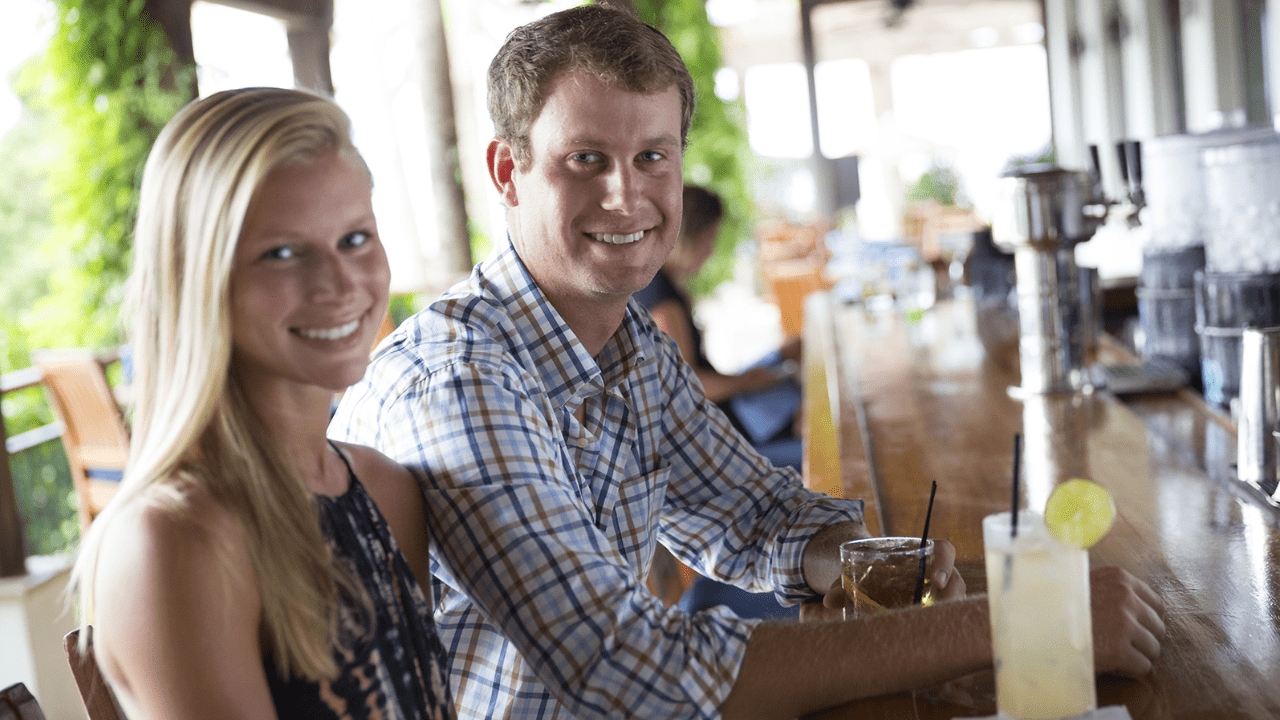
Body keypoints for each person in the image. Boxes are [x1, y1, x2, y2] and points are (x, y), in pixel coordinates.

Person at [330, 6, 1165, 720]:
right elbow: (626, 669)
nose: (627, 195)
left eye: (652, 156)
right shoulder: (460, 378)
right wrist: (1019, 618)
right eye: (587, 159)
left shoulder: (628, 344)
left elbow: (754, 514)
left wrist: (870, 562)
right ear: (508, 171)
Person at [69, 88, 456, 720]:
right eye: (282, 253)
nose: (339, 283)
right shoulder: (177, 538)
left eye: (356, 238)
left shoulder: (386, 489)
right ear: (199, 276)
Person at [634, 184, 803, 470]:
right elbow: (686, 389)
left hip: (717, 415)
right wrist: (750, 381)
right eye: (710, 238)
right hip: (710, 437)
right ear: (689, 234)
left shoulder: (663, 283)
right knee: (827, 450)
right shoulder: (659, 297)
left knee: (791, 354)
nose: (710, 250)